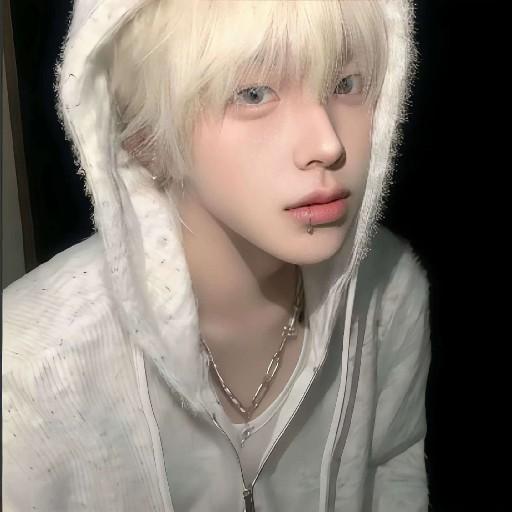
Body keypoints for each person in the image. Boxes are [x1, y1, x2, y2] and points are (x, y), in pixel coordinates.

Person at [2, 1, 431, 510]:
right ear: (144, 137)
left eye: (346, 83)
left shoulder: (390, 293)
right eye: (254, 94)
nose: (327, 143)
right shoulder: (24, 371)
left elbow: (393, 475)